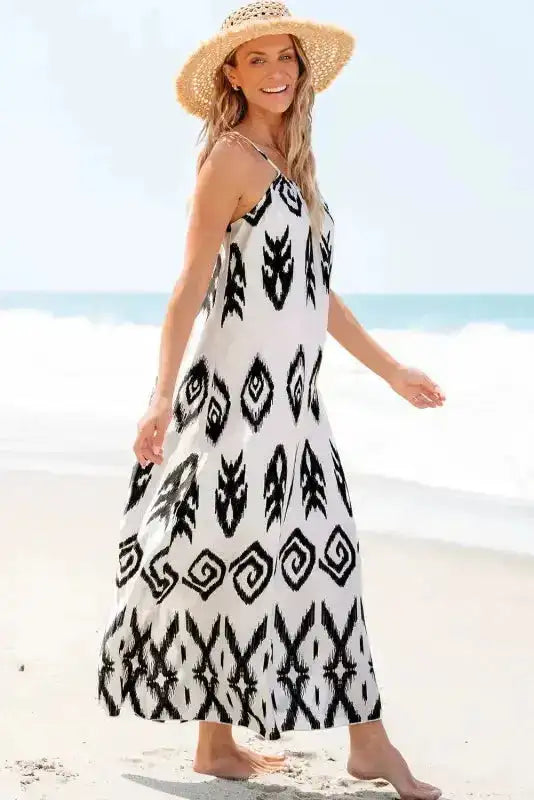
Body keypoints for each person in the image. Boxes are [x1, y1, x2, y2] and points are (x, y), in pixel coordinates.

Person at [96, 3, 446, 797]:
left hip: (293, 408)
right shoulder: (230, 159)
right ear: (232, 74)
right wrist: (158, 399)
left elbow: (316, 296)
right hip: (235, 409)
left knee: (255, 559)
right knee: (296, 556)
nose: (275, 72)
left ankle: (219, 746)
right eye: (256, 61)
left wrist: (391, 371)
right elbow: (188, 287)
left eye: (284, 57)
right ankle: (370, 743)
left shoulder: (295, 160)